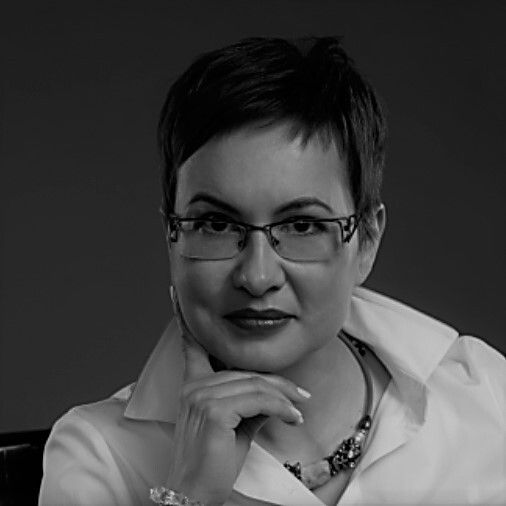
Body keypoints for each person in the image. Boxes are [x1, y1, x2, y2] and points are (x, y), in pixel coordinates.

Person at [39, 36, 506, 506]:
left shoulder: (485, 393)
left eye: (301, 225)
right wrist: (188, 493)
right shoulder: (98, 455)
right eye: (216, 224)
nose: (257, 277)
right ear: (172, 238)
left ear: (366, 240)